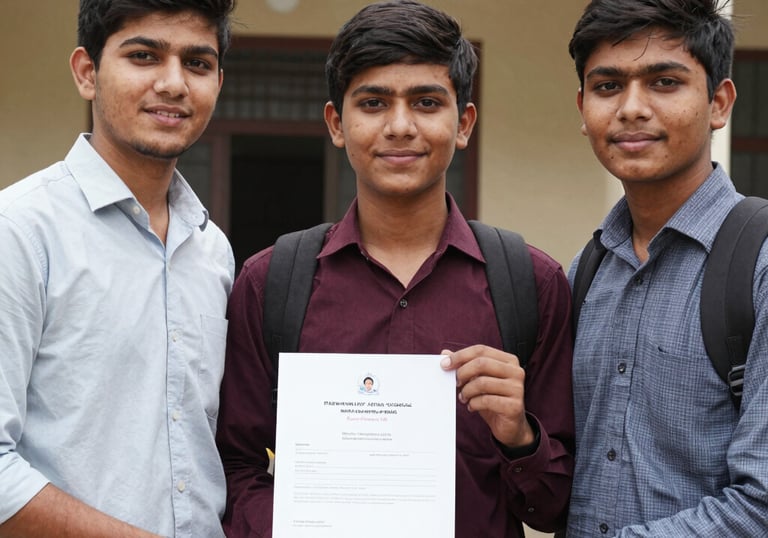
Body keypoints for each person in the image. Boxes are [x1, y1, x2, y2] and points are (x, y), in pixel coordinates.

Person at [216, 1, 575, 536]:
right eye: (374, 102)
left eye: (427, 102)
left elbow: (554, 505)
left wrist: (518, 435)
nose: (401, 126)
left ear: (464, 124)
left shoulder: (530, 284)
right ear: (337, 123)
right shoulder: (272, 283)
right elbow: (236, 467)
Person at [0, 0, 236, 536]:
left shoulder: (212, 251)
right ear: (87, 72)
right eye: (144, 56)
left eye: (197, 64)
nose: (174, 83)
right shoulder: (19, 232)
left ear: (218, 82)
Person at [566, 0, 768, 536]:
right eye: (608, 86)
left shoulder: (760, 267)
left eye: (664, 82)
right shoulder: (584, 274)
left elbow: (762, 505)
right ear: (583, 108)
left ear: (719, 102)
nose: (631, 108)